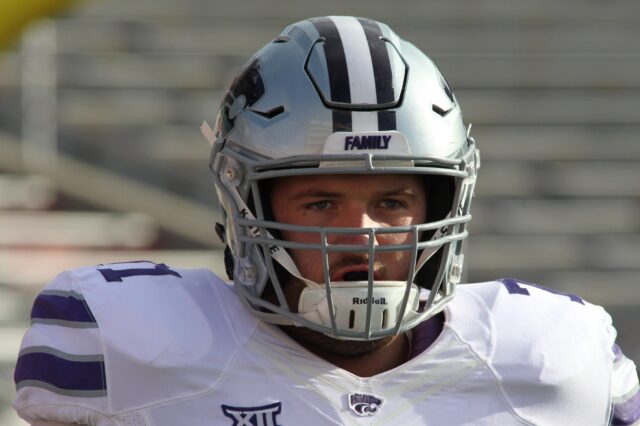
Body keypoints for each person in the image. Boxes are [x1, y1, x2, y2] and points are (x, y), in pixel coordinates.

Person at [13, 16, 639, 426]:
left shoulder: (555, 361)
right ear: (247, 208)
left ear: (441, 206)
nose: (362, 232)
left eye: (392, 202)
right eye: (319, 203)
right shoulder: (121, 342)